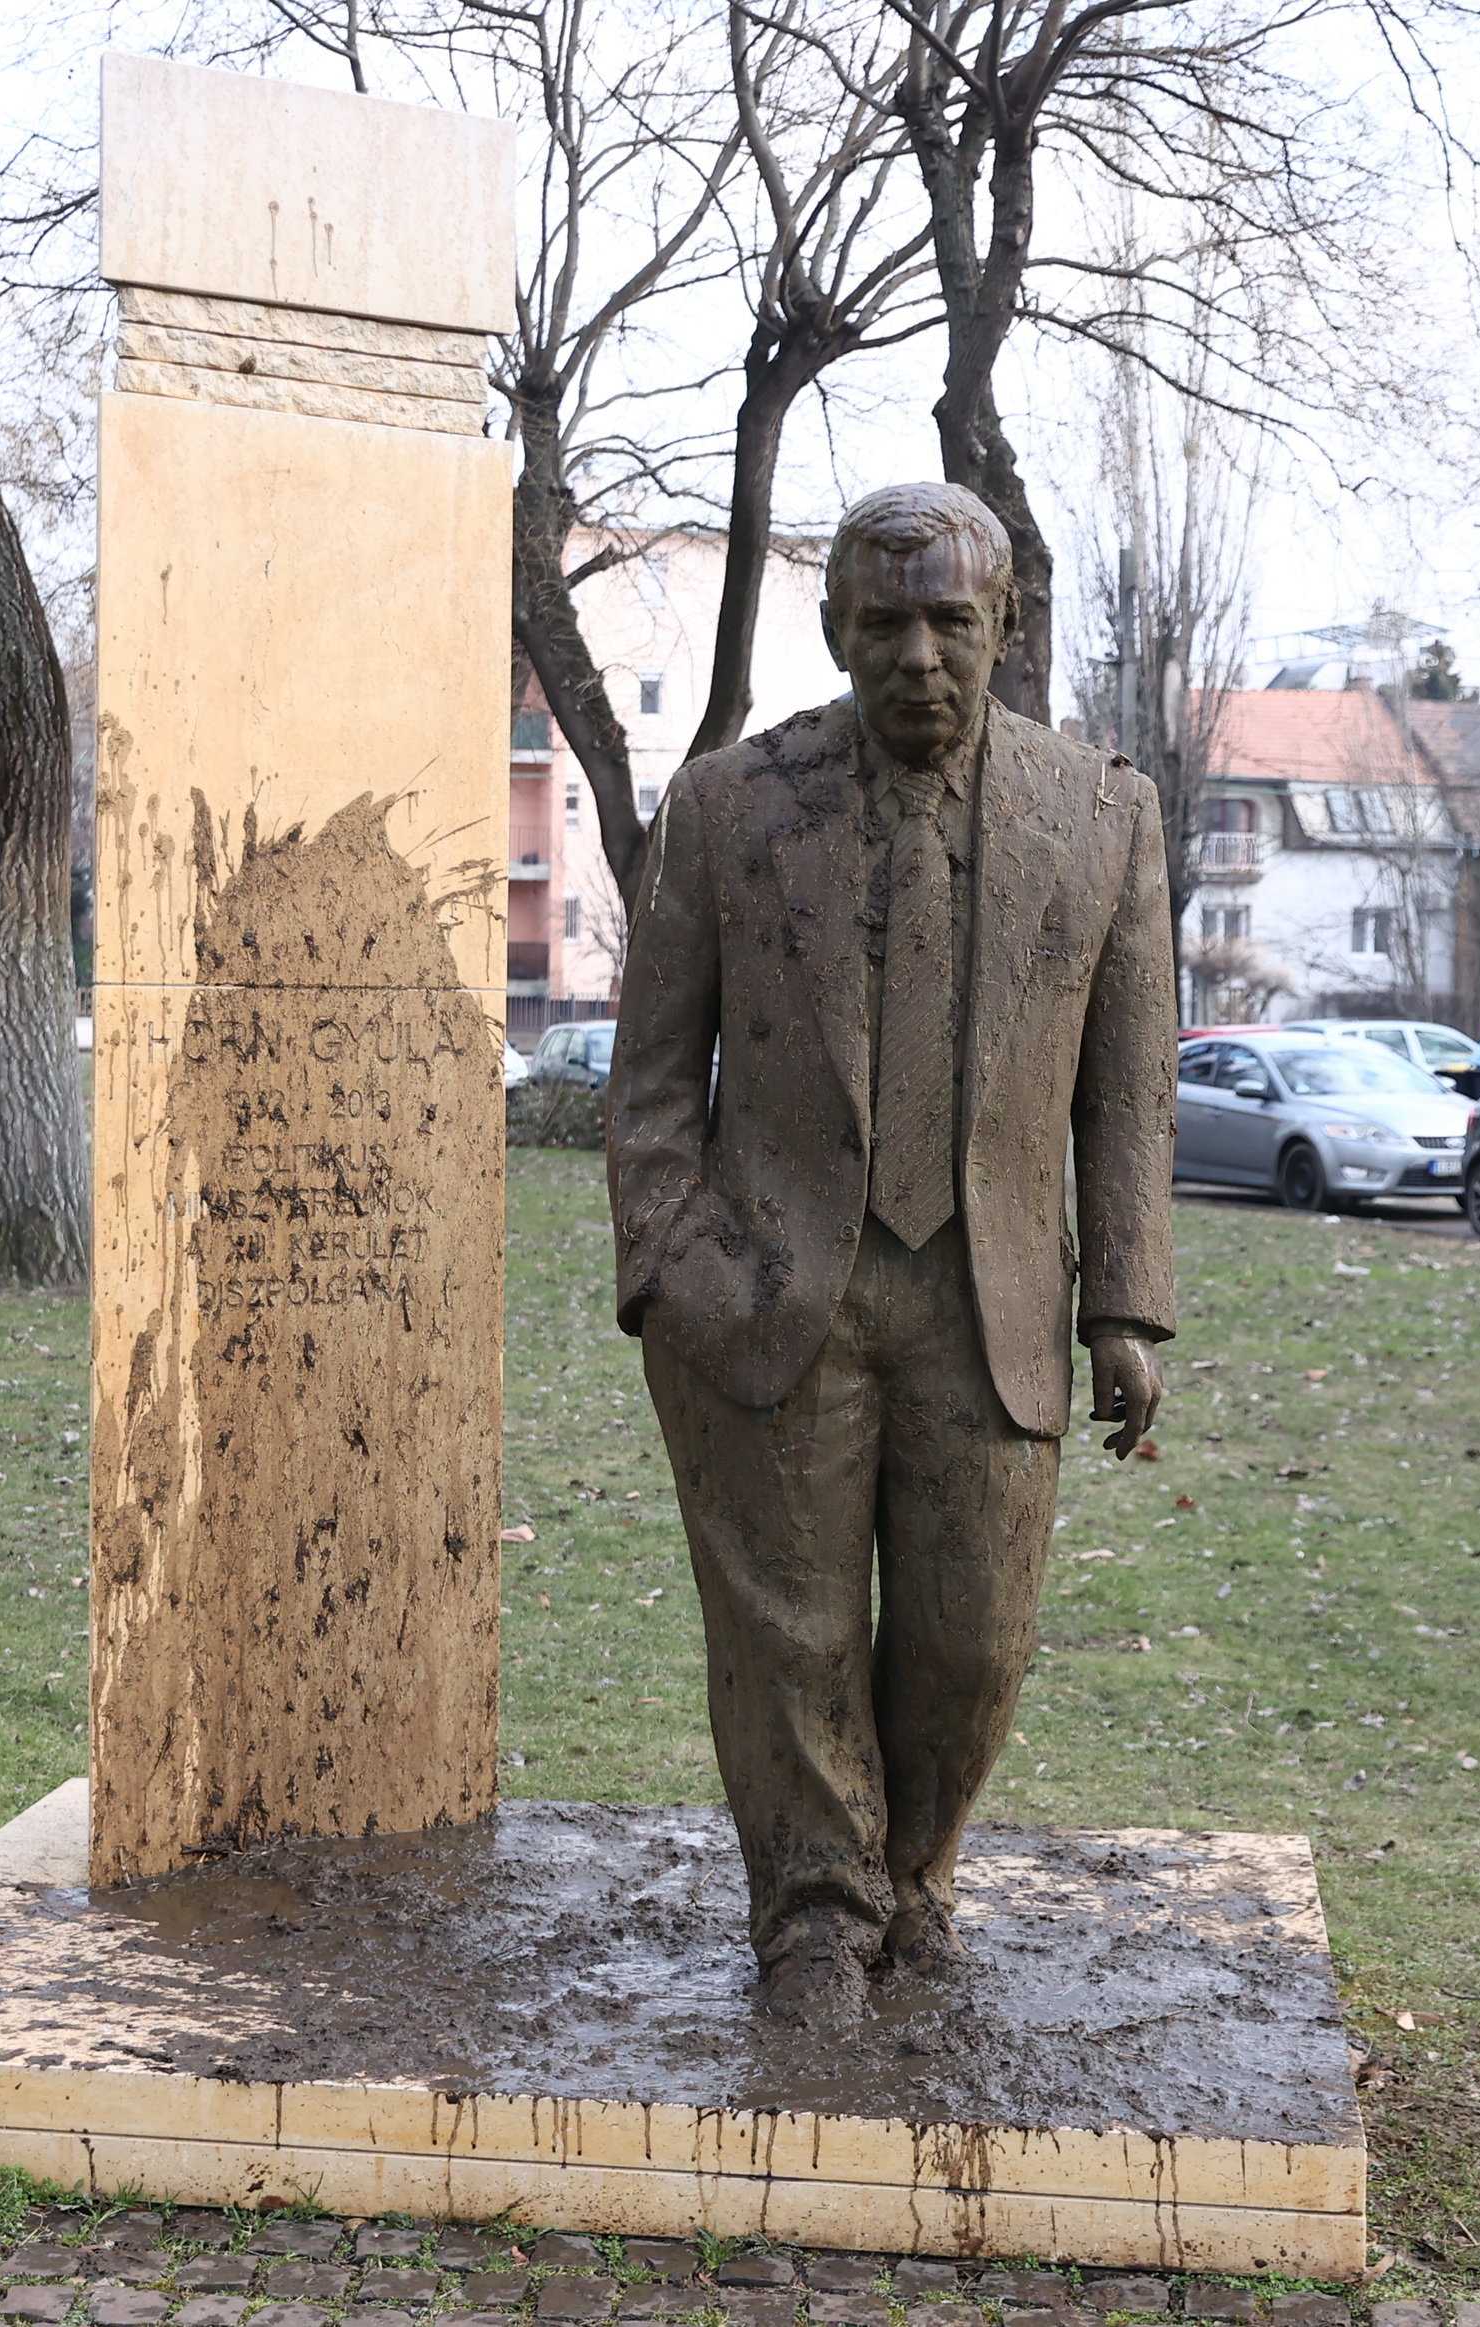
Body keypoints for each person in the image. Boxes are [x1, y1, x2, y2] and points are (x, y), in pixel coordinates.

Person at [606, 481, 1176, 2026]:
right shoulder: (727, 805)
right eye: (883, 624)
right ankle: (810, 1909)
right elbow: (653, 1072)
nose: (917, 656)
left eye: (948, 622)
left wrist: (1125, 1302)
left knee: (967, 1636)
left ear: (1003, 625)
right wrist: (663, 1264)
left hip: (989, 1290)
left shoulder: (1103, 815)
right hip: (770, 1283)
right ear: (834, 630)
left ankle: (913, 1875)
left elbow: (1126, 1087)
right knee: (786, 1627)